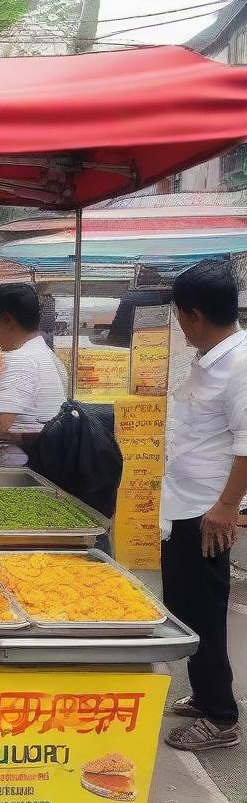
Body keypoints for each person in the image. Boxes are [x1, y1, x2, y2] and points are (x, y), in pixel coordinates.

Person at [162, 258, 246, 752]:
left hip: (206, 513)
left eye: (177, 315)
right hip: (184, 506)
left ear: (192, 315)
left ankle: (220, 716)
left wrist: (225, 507)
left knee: (204, 610)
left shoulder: (238, 366)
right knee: (186, 607)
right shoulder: (210, 358)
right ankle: (205, 691)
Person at [0, 284, 67, 464]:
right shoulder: (47, 355)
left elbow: (0, 424)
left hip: (30, 463)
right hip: (49, 457)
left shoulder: (22, 358)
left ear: (7, 320)